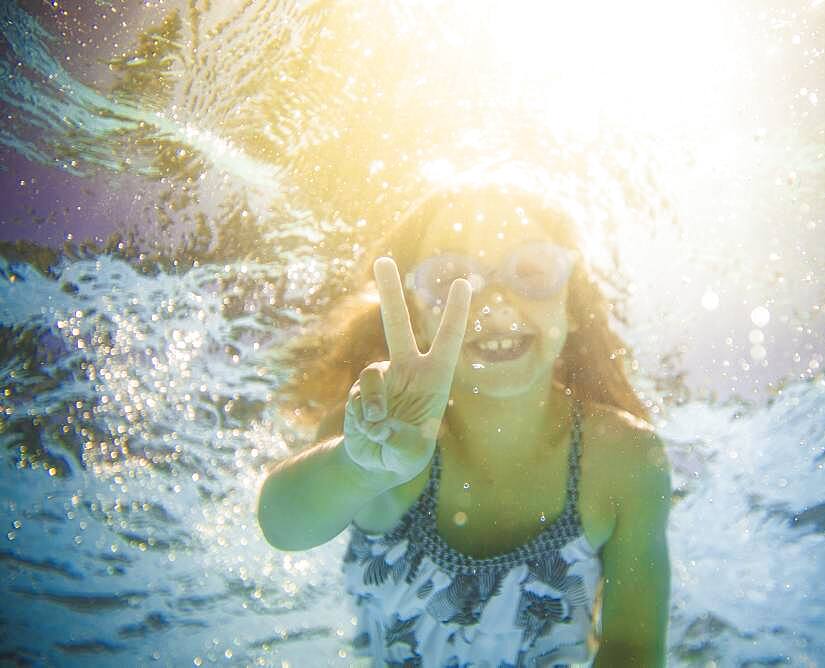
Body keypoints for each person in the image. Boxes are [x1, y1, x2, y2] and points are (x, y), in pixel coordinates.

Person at [258, 176, 671, 666]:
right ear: (416, 314)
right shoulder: (380, 436)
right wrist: (358, 468)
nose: (495, 301)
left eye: (532, 270)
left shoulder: (624, 462)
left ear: (572, 306)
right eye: (451, 280)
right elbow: (282, 527)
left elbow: (632, 649)